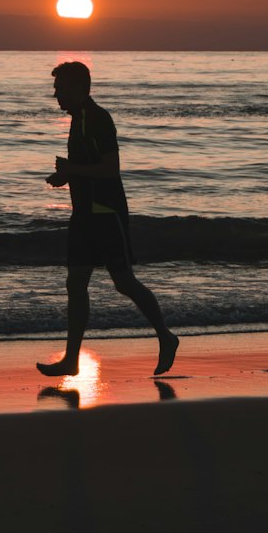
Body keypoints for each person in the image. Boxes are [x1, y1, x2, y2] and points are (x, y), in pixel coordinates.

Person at [36, 61, 180, 379]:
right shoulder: (77, 119)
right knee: (75, 283)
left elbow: (110, 168)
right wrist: (67, 176)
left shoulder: (97, 119)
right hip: (83, 215)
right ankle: (71, 360)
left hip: (105, 214)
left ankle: (166, 337)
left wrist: (71, 170)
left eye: (60, 88)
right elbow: (88, 167)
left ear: (78, 87)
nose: (55, 94)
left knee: (123, 281)